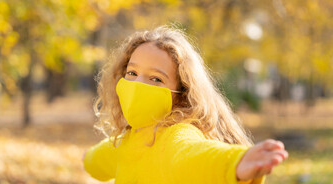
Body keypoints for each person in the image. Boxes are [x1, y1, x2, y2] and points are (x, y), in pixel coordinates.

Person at [83, 26, 288, 184]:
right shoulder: (128, 140)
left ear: (181, 94)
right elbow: (99, 160)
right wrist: (87, 158)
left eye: (156, 79)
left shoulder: (174, 135)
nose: (138, 85)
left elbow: (193, 155)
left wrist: (235, 162)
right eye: (132, 73)